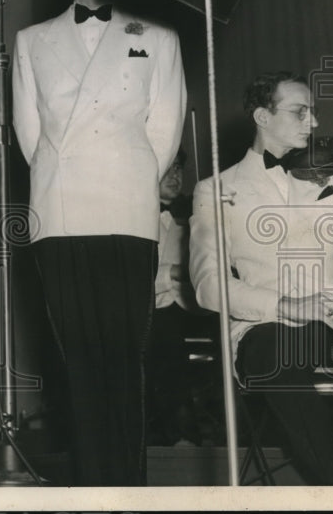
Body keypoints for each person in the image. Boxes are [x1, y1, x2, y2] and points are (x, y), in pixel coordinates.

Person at [12, 0, 186, 485]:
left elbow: (164, 133)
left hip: (125, 210)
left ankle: (129, 488)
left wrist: (125, 176)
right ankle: (91, 489)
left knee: (123, 362)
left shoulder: (158, 39)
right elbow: (29, 134)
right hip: (60, 213)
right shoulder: (31, 41)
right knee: (78, 366)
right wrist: (67, 175)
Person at [189, 71, 333, 484]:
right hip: (274, 325)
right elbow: (207, 285)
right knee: (274, 356)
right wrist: (287, 305)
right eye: (300, 112)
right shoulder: (216, 189)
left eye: (314, 112)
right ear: (262, 116)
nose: (314, 123)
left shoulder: (330, 178)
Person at [147, 149, 198, 446]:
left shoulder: (193, 214)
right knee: (161, 329)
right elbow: (136, 282)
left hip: (196, 309)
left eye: (178, 168)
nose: (175, 176)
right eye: (167, 169)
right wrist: (175, 272)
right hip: (158, 313)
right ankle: (182, 431)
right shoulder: (134, 219)